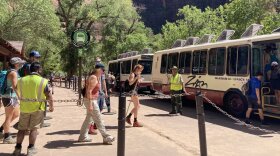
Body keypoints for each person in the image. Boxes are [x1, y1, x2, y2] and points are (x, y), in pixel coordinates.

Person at [12, 62, 54, 156]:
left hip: (24, 108)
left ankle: (17, 149)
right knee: (33, 129)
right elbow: (49, 95)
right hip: (38, 108)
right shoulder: (43, 81)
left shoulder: (21, 80)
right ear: (39, 70)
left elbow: (16, 88)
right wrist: (51, 106)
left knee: (21, 129)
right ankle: (31, 148)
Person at [78, 65, 115, 144]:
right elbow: (89, 91)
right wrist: (91, 104)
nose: (103, 72)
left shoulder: (95, 77)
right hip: (91, 100)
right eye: (102, 70)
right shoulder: (94, 77)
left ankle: (82, 136)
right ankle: (106, 137)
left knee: (89, 119)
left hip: (90, 100)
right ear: (98, 70)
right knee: (99, 119)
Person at [0, 57, 25, 144]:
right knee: (8, 117)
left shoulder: (13, 72)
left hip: (11, 97)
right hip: (9, 97)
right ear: (16, 64)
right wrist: (20, 97)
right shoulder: (13, 73)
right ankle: (7, 137)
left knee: (16, 114)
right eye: (20, 63)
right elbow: (15, 86)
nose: (21, 64)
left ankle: (1, 130)